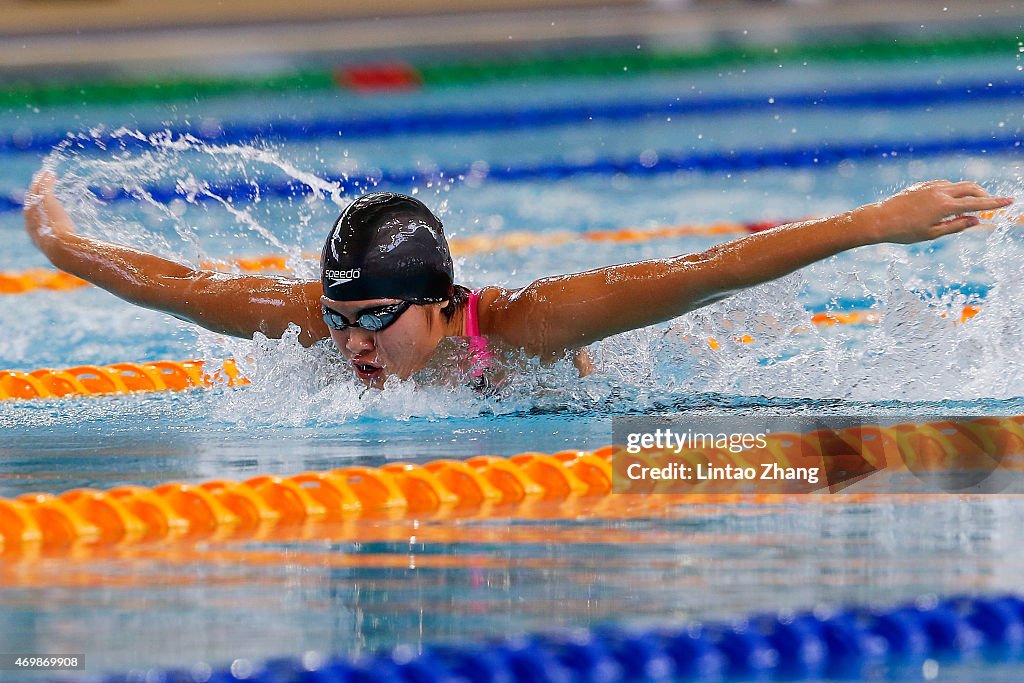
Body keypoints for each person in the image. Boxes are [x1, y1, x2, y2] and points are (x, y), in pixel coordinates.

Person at [23, 171, 1013, 389]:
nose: (352, 339)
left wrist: (876, 223)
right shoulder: (328, 327)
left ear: (445, 306)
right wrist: (69, 251)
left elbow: (703, 270)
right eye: (338, 315)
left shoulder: (531, 325)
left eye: (373, 315)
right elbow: (179, 287)